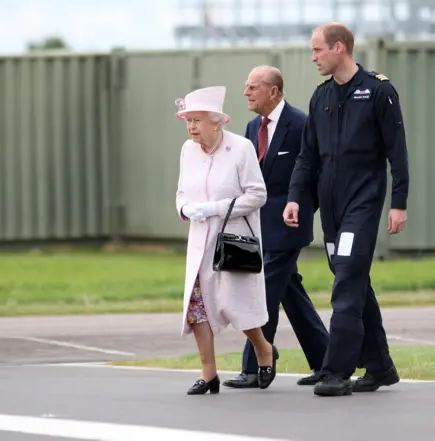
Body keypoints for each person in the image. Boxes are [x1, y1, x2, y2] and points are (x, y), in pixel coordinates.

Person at [283, 22, 410, 397]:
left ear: (339, 48)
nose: (313, 57)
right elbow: (308, 157)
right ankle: (380, 366)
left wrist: (398, 204)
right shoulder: (320, 97)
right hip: (332, 209)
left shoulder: (378, 90)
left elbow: (397, 153)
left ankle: (335, 370)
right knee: (352, 278)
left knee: (347, 280)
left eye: (318, 50)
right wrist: (296, 197)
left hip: (364, 202)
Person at [223, 66, 330, 390]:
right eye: (246, 86)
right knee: (290, 294)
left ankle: (255, 366)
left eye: (253, 86)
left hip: (287, 227)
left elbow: (315, 172)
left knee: (263, 292)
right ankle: (327, 362)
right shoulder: (253, 126)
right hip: (256, 226)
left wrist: (302, 210)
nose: (246, 92)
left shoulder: (300, 124)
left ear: (274, 91)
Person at [174, 85, 279, 395]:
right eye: (187, 121)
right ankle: (209, 374)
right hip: (199, 243)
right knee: (198, 309)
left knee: (237, 306)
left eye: (197, 120)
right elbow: (181, 192)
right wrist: (185, 209)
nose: (191, 127)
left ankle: (263, 349)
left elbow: (258, 195)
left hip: (233, 241)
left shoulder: (242, 148)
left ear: (217, 121)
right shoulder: (187, 150)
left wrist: (216, 209)